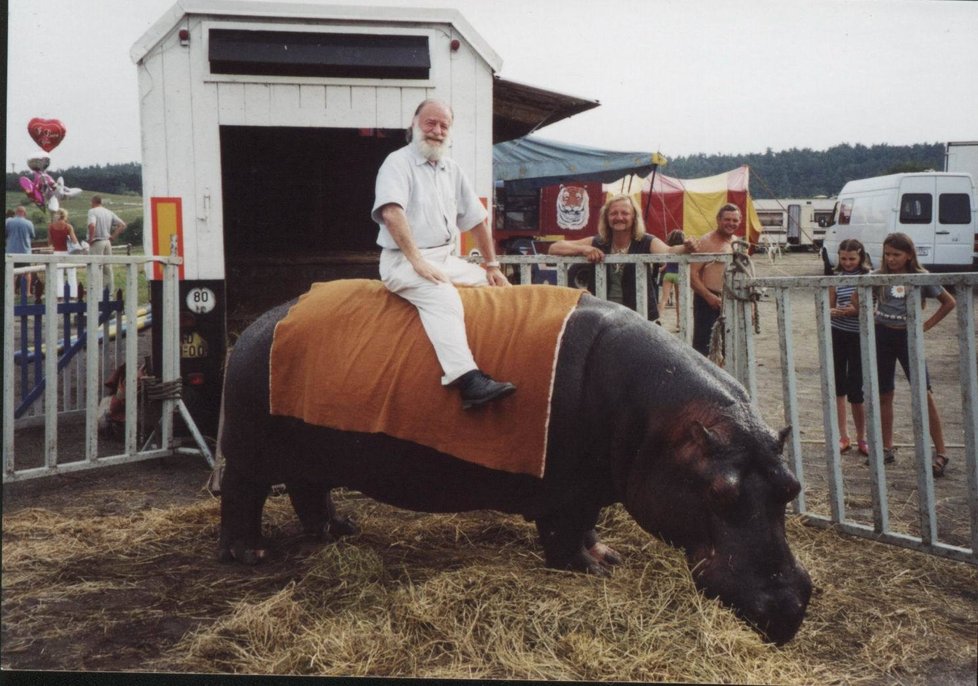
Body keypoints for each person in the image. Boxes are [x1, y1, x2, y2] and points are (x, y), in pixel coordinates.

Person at [372, 98, 516, 410]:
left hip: (443, 258)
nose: (437, 131)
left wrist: (492, 265)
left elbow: (477, 219)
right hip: (402, 261)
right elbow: (392, 213)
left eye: (443, 126)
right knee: (443, 295)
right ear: (414, 124)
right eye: (430, 123)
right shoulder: (397, 163)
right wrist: (417, 262)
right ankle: (467, 381)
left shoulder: (452, 169)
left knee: (492, 286)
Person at [871, 232, 956, 476]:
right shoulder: (877, 276)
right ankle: (887, 447)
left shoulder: (921, 277)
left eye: (896, 255)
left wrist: (925, 325)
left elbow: (949, 302)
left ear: (909, 255)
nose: (891, 259)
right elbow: (860, 296)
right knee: (884, 392)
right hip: (882, 336)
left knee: (923, 393)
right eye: (887, 254)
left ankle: (941, 452)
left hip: (908, 337)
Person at [548, 194, 696, 320]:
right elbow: (554, 247)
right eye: (613, 213)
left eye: (625, 213)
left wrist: (686, 247)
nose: (619, 217)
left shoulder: (646, 241)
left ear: (634, 217)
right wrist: (584, 249)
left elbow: (669, 251)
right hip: (604, 318)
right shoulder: (598, 242)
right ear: (606, 218)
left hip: (640, 319)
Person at [828, 238, 872, 457]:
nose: (847, 262)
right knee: (838, 386)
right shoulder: (835, 278)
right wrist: (834, 312)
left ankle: (862, 437)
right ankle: (843, 436)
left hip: (858, 336)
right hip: (838, 334)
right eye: (843, 258)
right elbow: (829, 306)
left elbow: (872, 309)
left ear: (861, 257)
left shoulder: (867, 278)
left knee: (856, 389)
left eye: (852, 258)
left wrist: (854, 311)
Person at [689, 203, 741, 356]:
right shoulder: (707, 241)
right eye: (727, 219)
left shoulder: (736, 242)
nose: (731, 223)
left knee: (728, 347)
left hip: (730, 299)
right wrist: (708, 296)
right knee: (705, 347)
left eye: (735, 220)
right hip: (707, 301)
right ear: (718, 220)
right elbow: (692, 274)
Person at [87, 195, 126, 290]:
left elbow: (92, 225)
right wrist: (113, 237)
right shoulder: (109, 212)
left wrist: (91, 239)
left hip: (97, 241)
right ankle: (109, 292)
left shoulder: (92, 211)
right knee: (108, 268)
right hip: (107, 241)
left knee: (95, 266)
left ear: (93, 202)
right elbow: (122, 225)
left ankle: (96, 290)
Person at [48, 208, 81, 299]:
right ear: (65, 216)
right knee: (71, 273)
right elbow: (74, 241)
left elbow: (50, 241)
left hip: (56, 252)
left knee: (58, 274)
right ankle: (73, 294)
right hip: (68, 252)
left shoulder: (51, 226)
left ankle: (60, 294)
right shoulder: (68, 227)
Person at [658, 229, 686, 331]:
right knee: (679, 300)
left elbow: (666, 265)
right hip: (679, 275)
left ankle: (658, 318)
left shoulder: (669, 249)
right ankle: (678, 323)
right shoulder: (682, 251)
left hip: (668, 274)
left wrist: (660, 269)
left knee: (664, 298)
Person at [5, 206, 36, 297]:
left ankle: (13, 292)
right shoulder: (29, 223)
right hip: (25, 251)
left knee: (12, 273)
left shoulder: (9, 222)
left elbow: (6, 234)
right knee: (27, 272)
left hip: (11, 251)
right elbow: (33, 235)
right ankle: (27, 292)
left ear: (16, 212)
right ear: (24, 213)